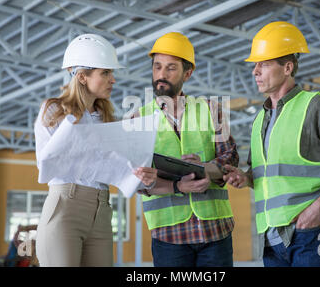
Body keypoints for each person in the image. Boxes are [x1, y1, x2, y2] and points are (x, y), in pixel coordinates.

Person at [223, 21, 320, 267]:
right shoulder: (260, 120)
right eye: (255, 65)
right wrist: (245, 179)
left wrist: (317, 210)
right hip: (272, 239)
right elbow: (269, 177)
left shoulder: (315, 106)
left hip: (311, 234)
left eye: (264, 64)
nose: (255, 71)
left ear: (287, 67)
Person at [132, 32, 239, 267]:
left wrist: (205, 168)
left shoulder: (211, 110)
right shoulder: (138, 118)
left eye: (171, 68)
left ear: (187, 73)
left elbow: (230, 158)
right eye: (157, 66)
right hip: (169, 233)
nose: (161, 74)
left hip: (215, 229)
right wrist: (177, 185)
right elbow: (136, 180)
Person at [34, 33, 124, 267]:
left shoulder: (106, 118)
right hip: (66, 207)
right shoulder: (54, 110)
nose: (113, 80)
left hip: (103, 210)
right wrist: (75, 118)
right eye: (105, 73)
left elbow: (114, 167)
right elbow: (46, 165)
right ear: (82, 77)